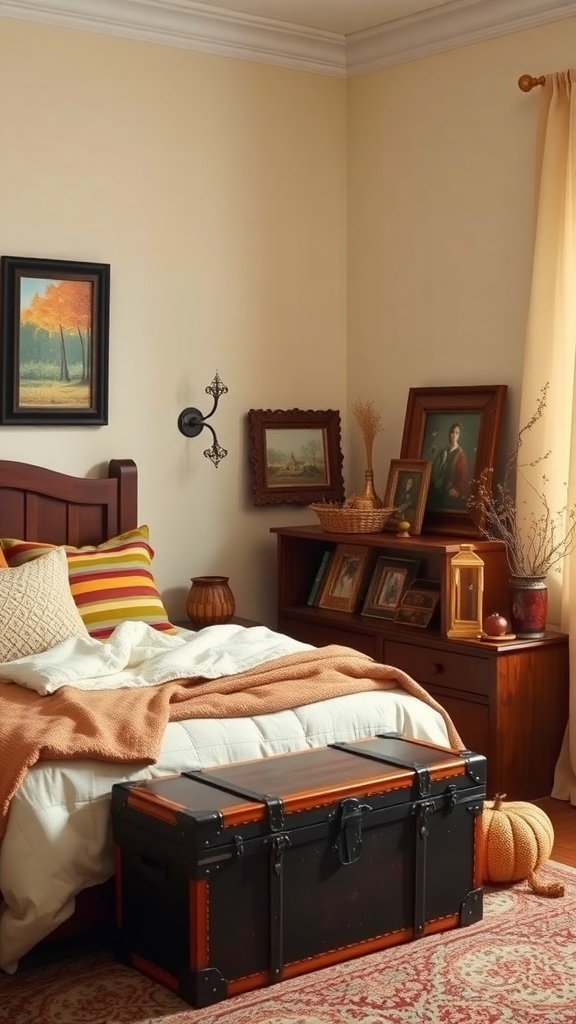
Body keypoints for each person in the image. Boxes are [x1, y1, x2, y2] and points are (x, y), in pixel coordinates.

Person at [429, 422, 469, 510]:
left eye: (457, 433)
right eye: (452, 432)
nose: (454, 435)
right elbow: (435, 469)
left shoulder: (460, 454)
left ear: (459, 435)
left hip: (449, 492)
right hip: (438, 489)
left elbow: (462, 477)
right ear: (449, 434)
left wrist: (456, 490)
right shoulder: (443, 452)